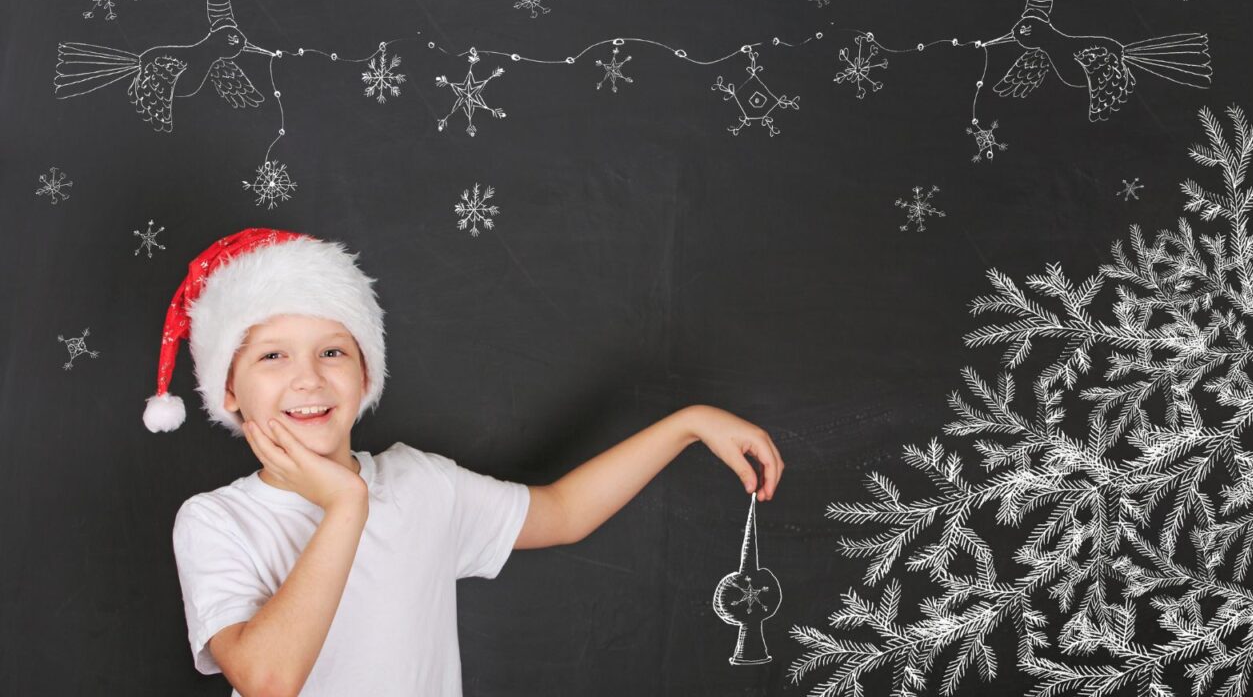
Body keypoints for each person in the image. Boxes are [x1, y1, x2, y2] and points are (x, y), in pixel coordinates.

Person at [144, 228, 785, 697]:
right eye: (272, 357)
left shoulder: (421, 484)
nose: (308, 380)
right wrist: (345, 504)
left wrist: (687, 426)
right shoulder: (216, 520)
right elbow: (269, 679)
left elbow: (561, 513)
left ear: (366, 372)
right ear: (229, 391)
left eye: (333, 352)